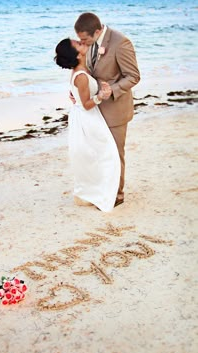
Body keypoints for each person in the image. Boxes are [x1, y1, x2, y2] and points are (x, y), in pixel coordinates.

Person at [74, 12, 140, 206]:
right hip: (95, 109)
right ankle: (104, 190)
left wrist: (112, 90)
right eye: (80, 40)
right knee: (100, 153)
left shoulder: (121, 42)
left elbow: (133, 76)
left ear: (97, 31)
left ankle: (118, 195)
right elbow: (86, 72)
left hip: (115, 109)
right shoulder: (89, 42)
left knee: (115, 154)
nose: (82, 43)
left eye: (84, 39)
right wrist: (77, 91)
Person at [55, 38, 120, 212]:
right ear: (75, 53)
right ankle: (92, 193)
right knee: (107, 155)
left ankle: (87, 192)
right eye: (76, 43)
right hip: (87, 118)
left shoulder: (81, 70)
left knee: (94, 155)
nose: (80, 41)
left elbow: (78, 95)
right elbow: (86, 104)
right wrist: (102, 95)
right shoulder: (81, 76)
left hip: (85, 116)